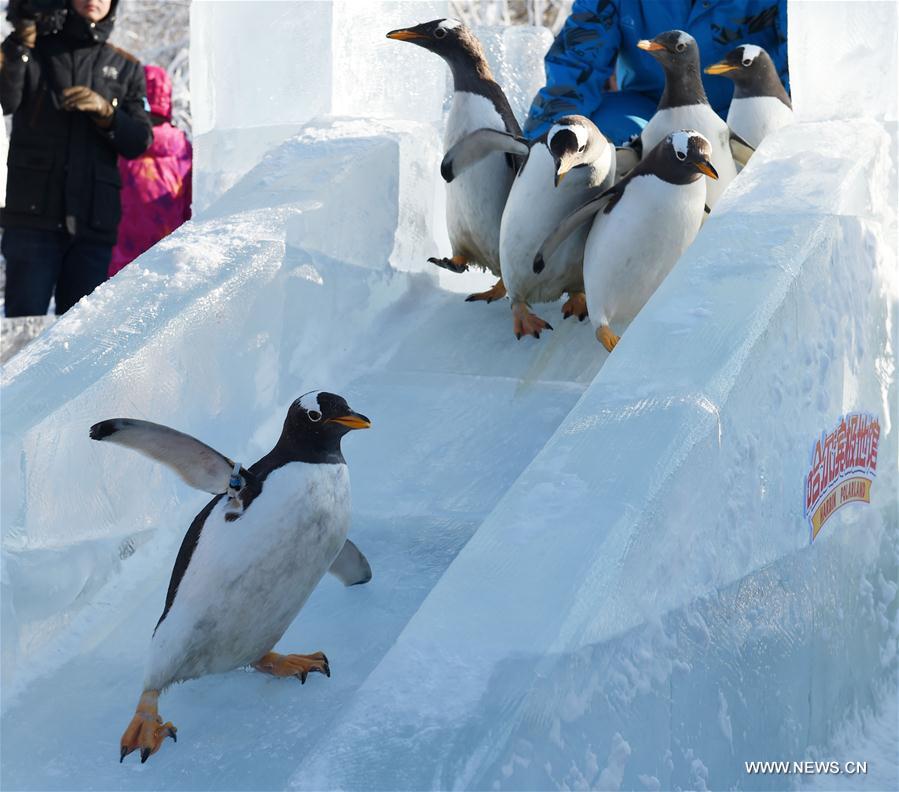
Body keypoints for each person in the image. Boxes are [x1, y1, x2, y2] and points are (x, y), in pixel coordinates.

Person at [0, 0, 152, 317]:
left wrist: (110, 115)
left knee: (80, 339)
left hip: (92, 226)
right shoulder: (36, 49)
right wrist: (18, 42)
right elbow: (6, 98)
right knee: (21, 329)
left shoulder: (126, 66)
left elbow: (140, 141)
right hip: (32, 219)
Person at [525, 0, 789, 145]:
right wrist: (544, 144)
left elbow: (802, 65)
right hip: (648, 113)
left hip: (742, 116)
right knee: (590, 134)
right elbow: (577, 62)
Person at [109, 64, 192, 277]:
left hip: (117, 266)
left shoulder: (116, 144)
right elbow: (191, 209)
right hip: (166, 266)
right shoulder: (183, 149)